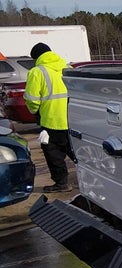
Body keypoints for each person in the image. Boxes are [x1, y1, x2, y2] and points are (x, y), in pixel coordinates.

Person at [25, 42, 74, 192]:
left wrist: (35, 112)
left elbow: (32, 100)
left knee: (53, 154)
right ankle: (97, 178)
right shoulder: (68, 69)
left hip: (51, 122)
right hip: (73, 120)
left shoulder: (37, 72)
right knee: (78, 152)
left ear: (36, 57)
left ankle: (62, 183)